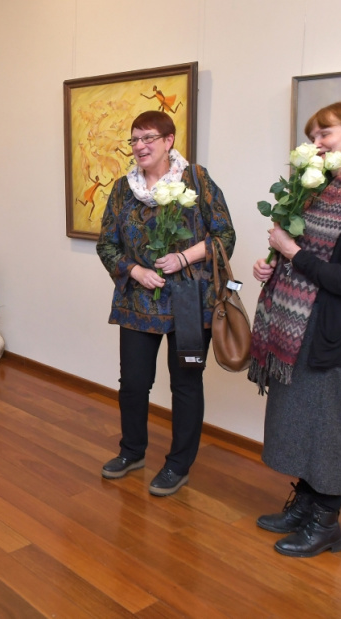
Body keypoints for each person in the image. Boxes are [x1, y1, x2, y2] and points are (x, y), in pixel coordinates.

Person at [250, 102, 341, 557]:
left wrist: (292, 253)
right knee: (302, 421)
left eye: (325, 133)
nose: (316, 143)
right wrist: (272, 264)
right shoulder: (317, 186)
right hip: (294, 324)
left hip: (327, 329)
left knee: (326, 426)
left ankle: (326, 523)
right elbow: (300, 252)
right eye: (313, 135)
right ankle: (306, 506)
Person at [96, 110, 235, 496]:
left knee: (186, 384)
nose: (140, 146)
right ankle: (132, 452)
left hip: (190, 301)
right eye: (134, 139)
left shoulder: (196, 179)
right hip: (138, 301)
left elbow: (225, 236)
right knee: (133, 384)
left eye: (148, 138)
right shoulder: (123, 189)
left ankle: (178, 465)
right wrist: (135, 271)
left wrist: (183, 258)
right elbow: (106, 244)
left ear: (169, 140)